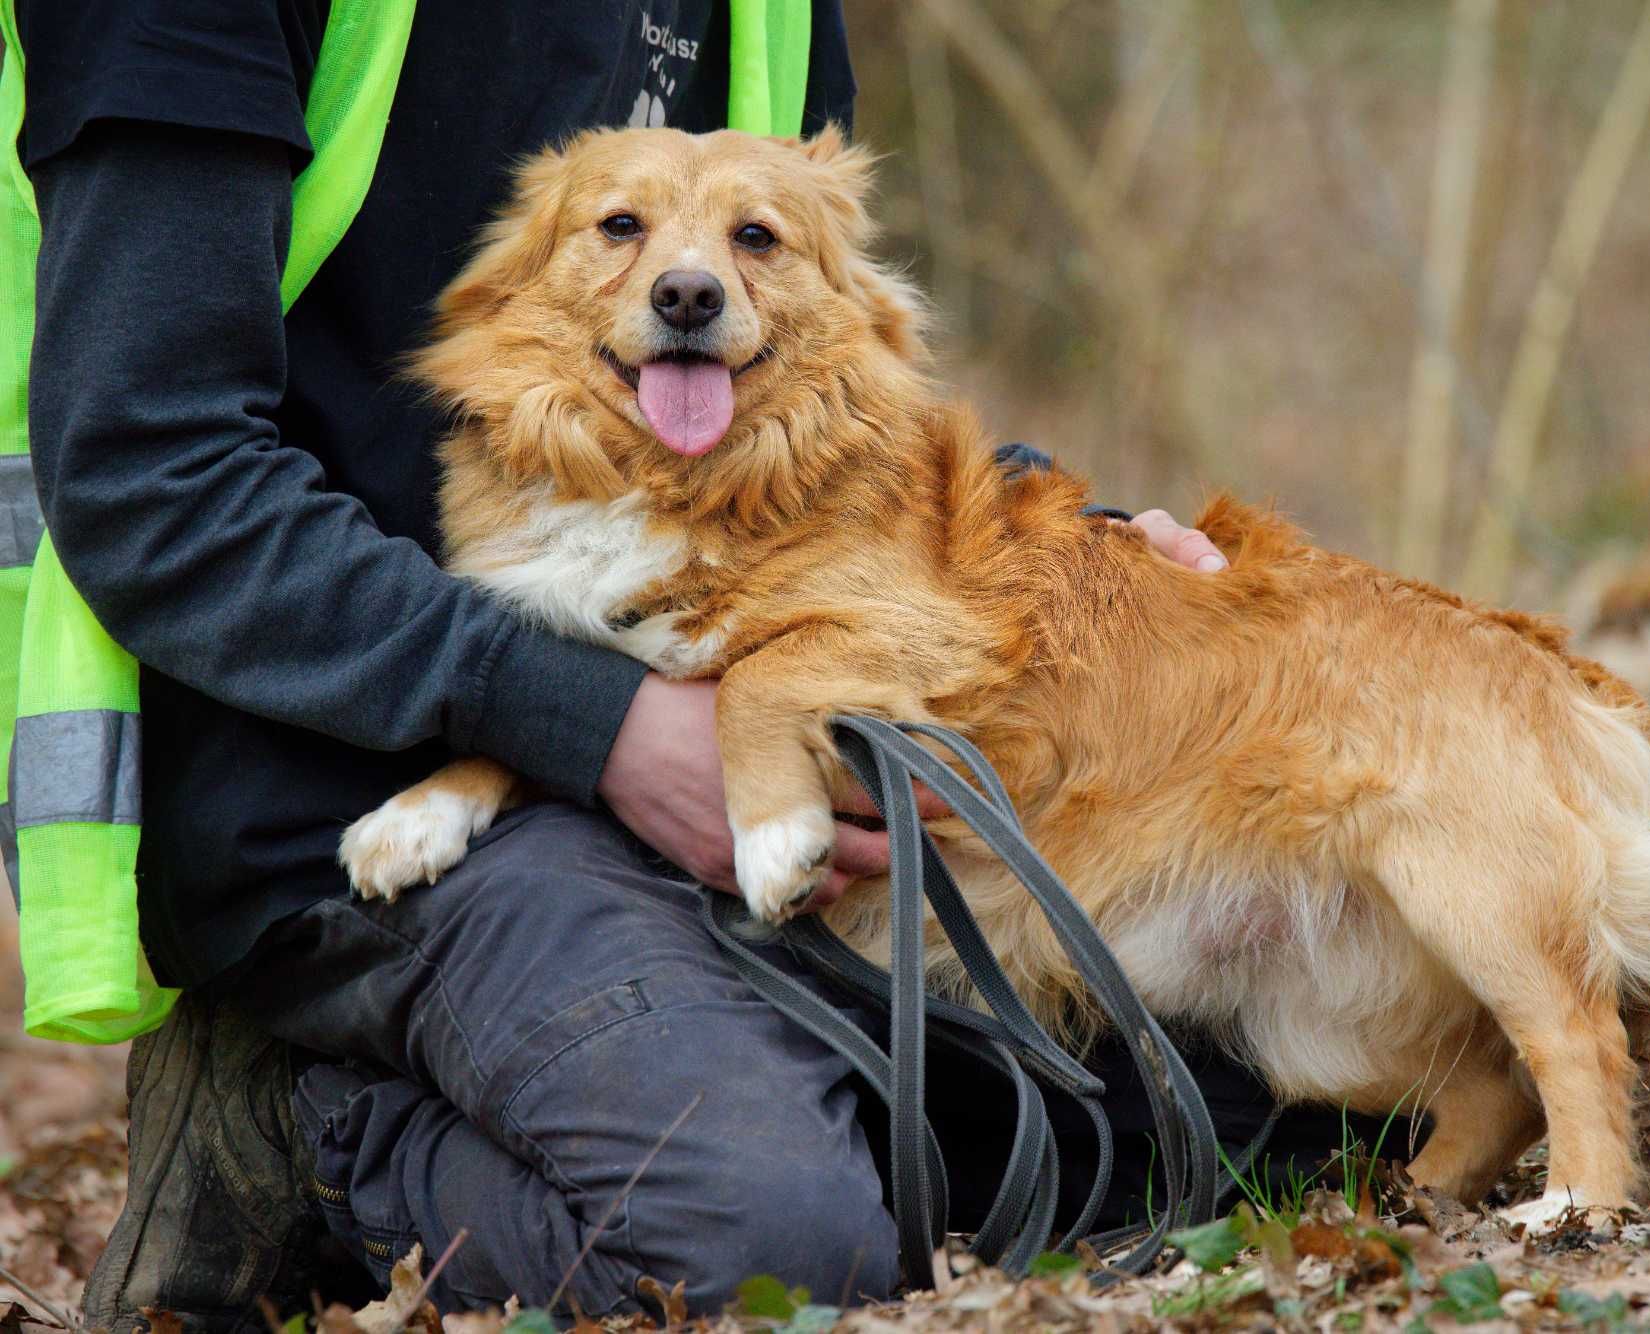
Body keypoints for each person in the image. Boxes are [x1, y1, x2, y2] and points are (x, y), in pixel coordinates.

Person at [19, 2, 1357, 1327]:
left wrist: (1058, 528)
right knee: (766, 1244)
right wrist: (602, 727)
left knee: (1307, 1092)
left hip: (718, 700)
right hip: (338, 783)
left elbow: (806, 382)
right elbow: (154, 469)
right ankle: (300, 1133)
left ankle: (742, 1084)